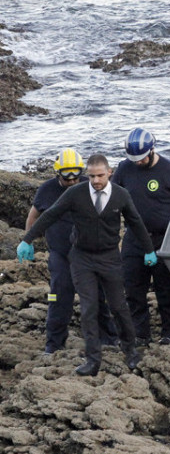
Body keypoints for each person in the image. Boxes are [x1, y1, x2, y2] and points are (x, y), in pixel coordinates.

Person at [17, 154, 156, 376]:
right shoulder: (75, 193)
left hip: (109, 257)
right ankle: (92, 359)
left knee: (118, 306)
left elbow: (135, 222)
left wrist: (149, 250)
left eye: (100, 175)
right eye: (91, 176)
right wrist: (27, 239)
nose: (95, 180)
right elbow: (49, 215)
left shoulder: (120, 195)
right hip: (81, 257)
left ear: (109, 173)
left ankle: (130, 351)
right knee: (88, 308)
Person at [25, 149, 119, 354]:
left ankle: (108, 338)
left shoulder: (91, 185)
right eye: (66, 175)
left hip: (90, 253)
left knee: (98, 296)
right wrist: (28, 241)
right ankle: (54, 343)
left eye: (76, 174)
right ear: (57, 173)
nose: (71, 180)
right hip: (60, 254)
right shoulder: (47, 190)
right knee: (59, 298)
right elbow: (34, 216)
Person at [112, 128, 170, 346]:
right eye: (134, 159)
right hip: (134, 239)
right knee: (133, 288)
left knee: (166, 288)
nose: (137, 163)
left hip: (164, 239)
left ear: (152, 149)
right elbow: (113, 196)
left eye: (141, 158)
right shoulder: (124, 169)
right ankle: (140, 333)